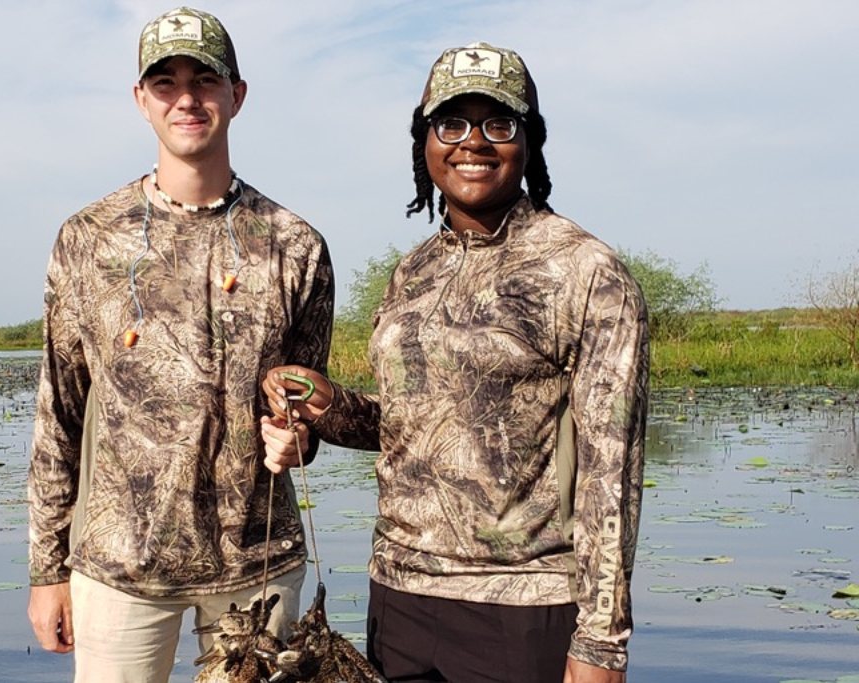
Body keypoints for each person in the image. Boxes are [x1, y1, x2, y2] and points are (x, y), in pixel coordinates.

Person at [261, 42, 649, 683]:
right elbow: (411, 426)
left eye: (498, 124)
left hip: (524, 606)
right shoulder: (412, 272)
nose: (473, 142)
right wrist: (331, 407)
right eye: (451, 124)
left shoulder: (586, 272)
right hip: (399, 596)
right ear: (425, 143)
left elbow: (613, 473)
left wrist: (602, 642)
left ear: (529, 141)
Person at [26, 7, 334, 682]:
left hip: (258, 566)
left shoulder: (296, 246)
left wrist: (298, 438)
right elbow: (59, 414)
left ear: (237, 95)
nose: (186, 99)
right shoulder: (89, 239)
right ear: (142, 100)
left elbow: (308, 413)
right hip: (120, 568)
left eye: (206, 80)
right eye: (166, 82)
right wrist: (47, 569)